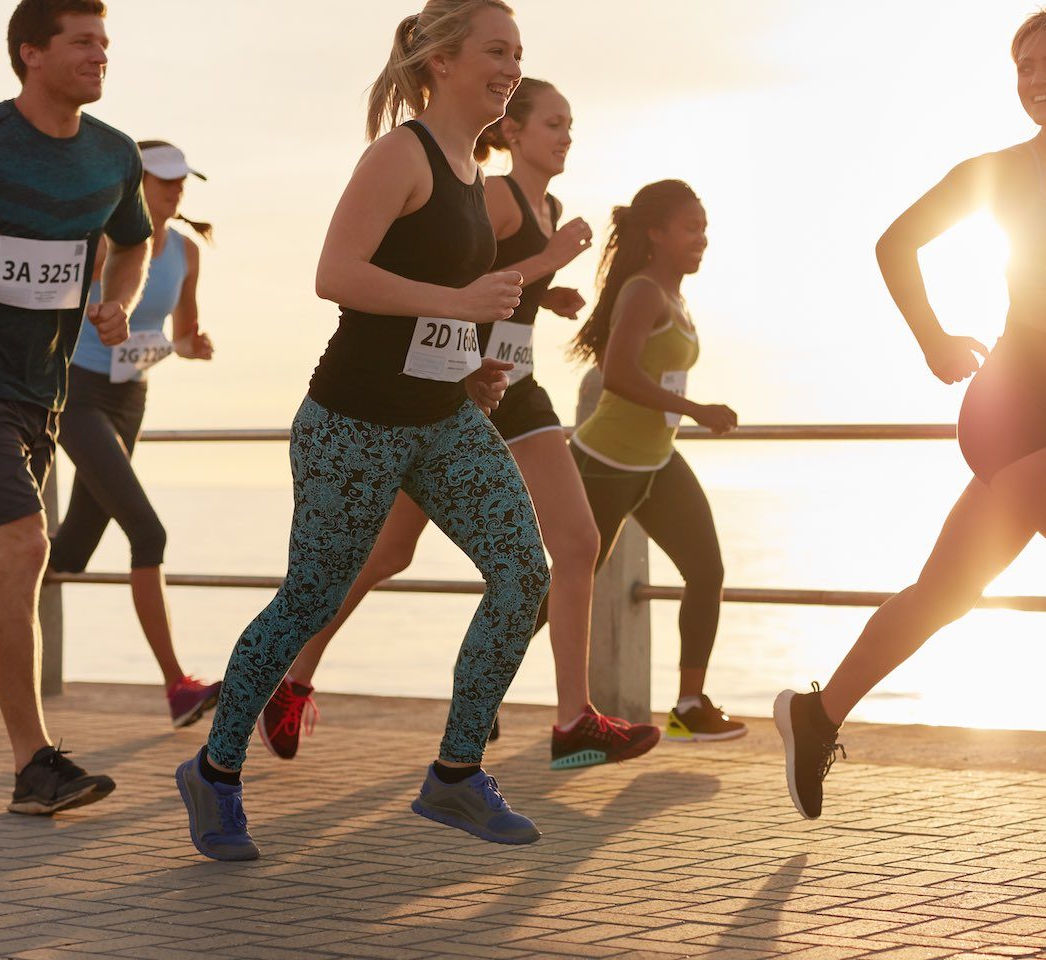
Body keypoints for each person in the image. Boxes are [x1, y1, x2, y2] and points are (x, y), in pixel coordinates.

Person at [775, 7, 1046, 847]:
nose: (1038, 79)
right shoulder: (1001, 171)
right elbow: (897, 243)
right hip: (1019, 403)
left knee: (947, 593)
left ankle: (818, 715)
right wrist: (933, 339)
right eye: (1025, 66)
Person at [174, 0, 548, 861]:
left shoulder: (467, 163)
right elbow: (336, 274)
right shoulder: (401, 153)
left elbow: (425, 314)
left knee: (524, 574)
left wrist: (470, 360)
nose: (512, 68)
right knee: (309, 596)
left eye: (519, 54)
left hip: (441, 417)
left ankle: (456, 774)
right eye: (497, 51)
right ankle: (217, 772)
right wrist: (458, 304)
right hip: (352, 424)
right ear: (442, 60)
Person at [259, 79, 664, 770]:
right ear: (515, 133)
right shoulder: (499, 197)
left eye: (572, 125)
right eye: (553, 124)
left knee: (576, 540)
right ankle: (289, 679)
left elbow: (505, 286)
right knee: (387, 554)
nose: (566, 136)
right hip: (458, 386)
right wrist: (549, 259)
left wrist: (547, 291)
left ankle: (574, 720)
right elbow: (458, 282)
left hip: (518, 384)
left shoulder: (548, 204)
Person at [0, 0, 150, 815]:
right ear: (30, 54)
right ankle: (34, 767)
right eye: (82, 42)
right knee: (25, 547)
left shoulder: (114, 155)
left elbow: (133, 240)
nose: (100, 55)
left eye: (105, 43)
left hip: (37, 389)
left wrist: (118, 298)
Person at [48, 139, 221, 728]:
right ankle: (178, 686)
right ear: (133, 184)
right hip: (76, 393)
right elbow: (53, 307)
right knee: (149, 533)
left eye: (180, 181)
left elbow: (185, 330)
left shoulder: (188, 252)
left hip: (130, 398)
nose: (174, 190)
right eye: (162, 180)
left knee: (69, 552)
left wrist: (196, 347)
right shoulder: (105, 242)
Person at [569, 179, 747, 744]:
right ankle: (485, 694)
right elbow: (618, 374)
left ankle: (689, 707)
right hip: (606, 460)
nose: (702, 239)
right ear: (656, 234)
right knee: (567, 587)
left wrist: (684, 414)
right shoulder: (644, 291)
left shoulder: (675, 297)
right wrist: (693, 408)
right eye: (691, 229)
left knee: (706, 570)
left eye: (705, 229)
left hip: (656, 460)